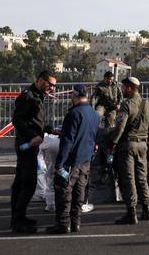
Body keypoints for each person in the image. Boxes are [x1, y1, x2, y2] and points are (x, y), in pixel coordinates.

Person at [46, 85, 100, 234]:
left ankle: (63, 224)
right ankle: (76, 223)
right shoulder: (94, 114)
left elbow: (68, 141)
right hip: (86, 160)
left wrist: (60, 164)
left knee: (64, 192)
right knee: (79, 193)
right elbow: (90, 137)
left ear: (75, 95)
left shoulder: (73, 114)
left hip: (71, 161)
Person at [10, 70, 57, 233]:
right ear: (39, 80)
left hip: (32, 143)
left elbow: (35, 121)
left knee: (20, 182)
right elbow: (17, 120)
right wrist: (32, 136)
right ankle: (17, 221)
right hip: (26, 145)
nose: (52, 88)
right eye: (50, 84)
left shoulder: (38, 96)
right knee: (28, 184)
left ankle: (18, 217)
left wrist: (50, 130)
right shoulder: (27, 96)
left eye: (54, 85)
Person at [110, 77, 149, 225]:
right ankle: (147, 210)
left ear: (130, 88)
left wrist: (113, 142)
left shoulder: (126, 105)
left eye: (124, 88)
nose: (122, 91)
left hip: (128, 146)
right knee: (142, 178)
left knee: (129, 179)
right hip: (143, 145)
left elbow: (120, 127)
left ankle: (131, 213)